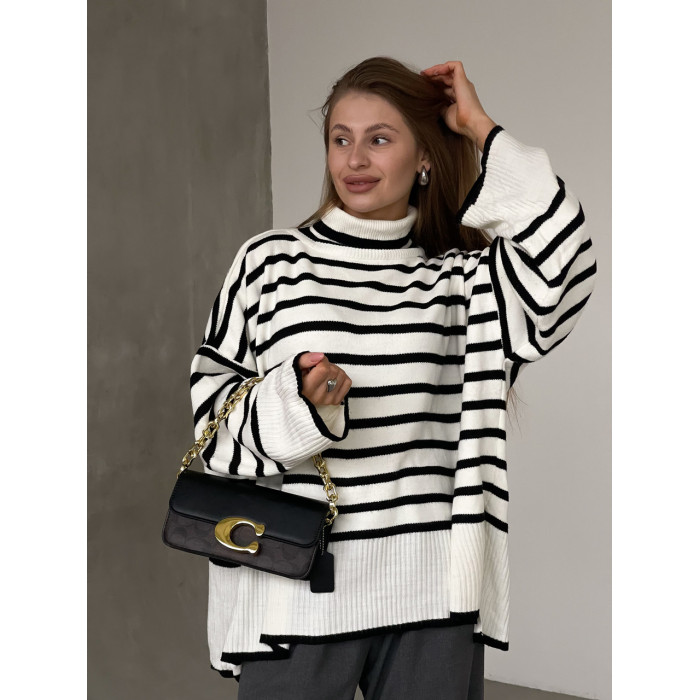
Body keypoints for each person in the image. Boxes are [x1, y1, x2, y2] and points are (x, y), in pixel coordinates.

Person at [189, 56, 597, 699]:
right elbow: (213, 427)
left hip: (430, 596)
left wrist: (481, 127)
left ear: (424, 157)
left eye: (379, 139)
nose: (354, 159)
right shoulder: (270, 265)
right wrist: (301, 406)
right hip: (297, 585)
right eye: (340, 139)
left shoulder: (462, 283)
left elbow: (564, 267)